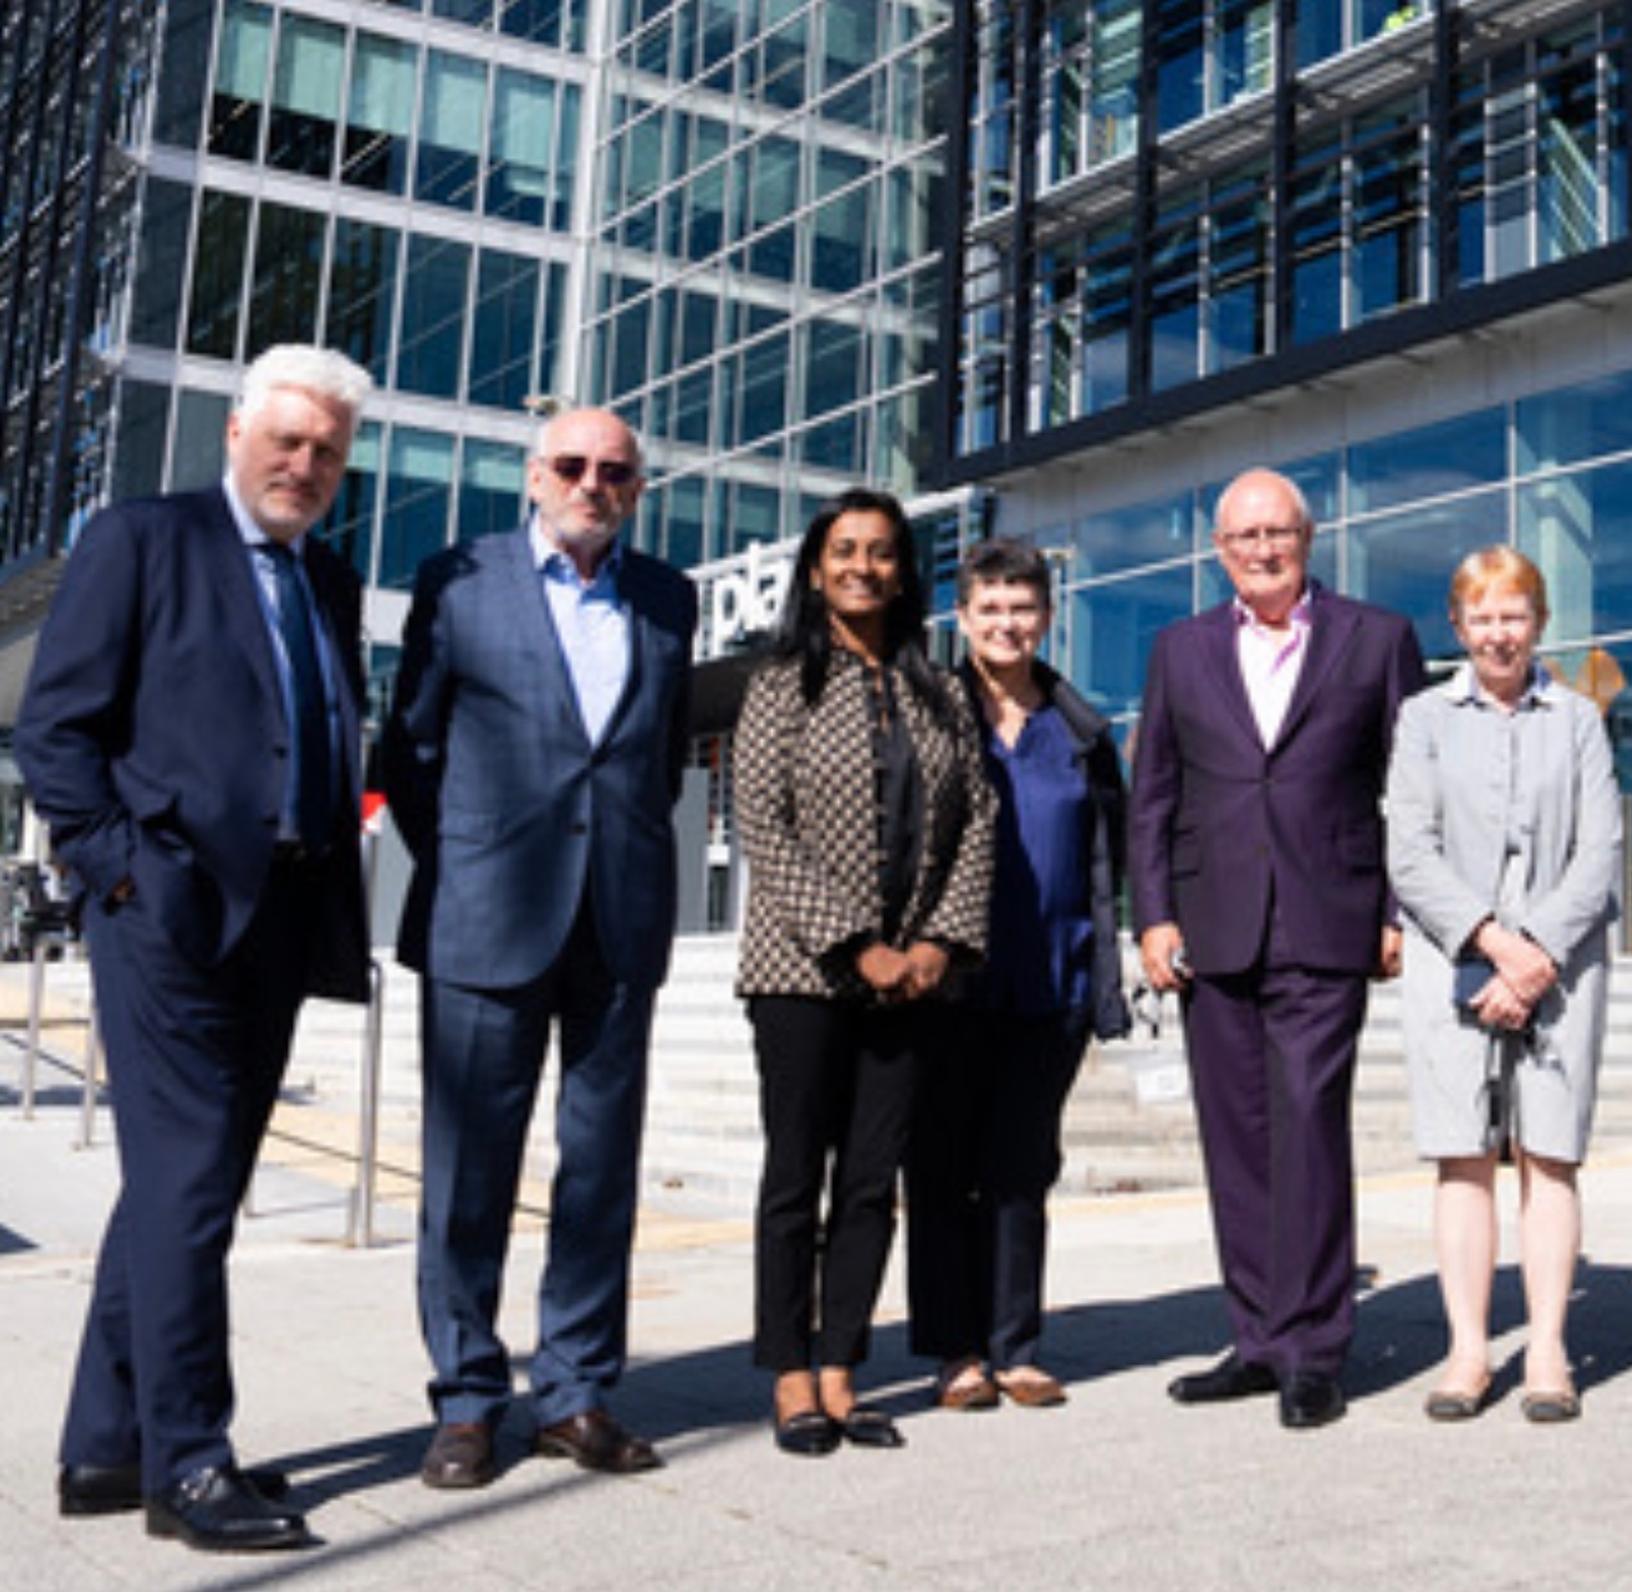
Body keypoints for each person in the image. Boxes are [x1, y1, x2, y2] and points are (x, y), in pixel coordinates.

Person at [21, 344, 374, 1552]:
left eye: (327, 450)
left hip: (280, 914)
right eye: (287, 439)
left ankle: (102, 1448)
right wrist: (120, 866)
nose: (305, 464)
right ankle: (191, 1461)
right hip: (165, 910)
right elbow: (54, 729)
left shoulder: (325, 577)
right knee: (185, 1181)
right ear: (236, 433)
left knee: (189, 1187)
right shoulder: (142, 538)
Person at [383, 407, 697, 1487]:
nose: (592, 482)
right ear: (533, 476)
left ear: (638, 488)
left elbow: (654, 766)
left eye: (615, 470)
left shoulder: (667, 598)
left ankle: (573, 1390)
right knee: (468, 1171)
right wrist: (472, 856)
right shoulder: (458, 579)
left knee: (600, 1172)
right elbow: (410, 745)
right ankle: (469, 1398)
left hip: (617, 915)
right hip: (486, 915)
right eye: (572, 464)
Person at [1133, 467, 1427, 1430]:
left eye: (1278, 533)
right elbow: (1156, 795)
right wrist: (1153, 915)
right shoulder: (1178, 652)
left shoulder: (1376, 639)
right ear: (1219, 551)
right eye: (1243, 537)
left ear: (1309, 537)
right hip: (1214, 925)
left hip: (1326, 916)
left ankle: (1314, 1349)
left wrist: (1394, 908)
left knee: (1307, 1126)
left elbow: (1414, 790)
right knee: (1237, 1139)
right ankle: (1257, 1338)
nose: (1262, 550)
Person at [733, 489, 994, 1454]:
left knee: (873, 1181)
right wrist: (858, 944)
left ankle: (842, 1368)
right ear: (815, 568)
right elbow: (763, 823)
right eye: (844, 551)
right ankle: (789, 1374)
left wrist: (935, 943)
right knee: (797, 1175)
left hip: (914, 977)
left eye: (881, 553)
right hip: (802, 973)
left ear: (901, 570)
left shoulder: (939, 687)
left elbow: (978, 821)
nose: (863, 567)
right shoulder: (780, 681)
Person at [1385, 547, 1620, 1424]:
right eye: (1481, 617)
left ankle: (1550, 1348)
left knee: (1550, 1156)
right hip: (1454, 960)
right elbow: (1408, 849)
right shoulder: (1422, 720)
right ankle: (1468, 1350)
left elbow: (1599, 851)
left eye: (1513, 614)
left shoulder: (1581, 721)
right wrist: (1489, 943)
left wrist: (1535, 954)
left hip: (1560, 969)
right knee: (1462, 1157)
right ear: (1458, 627)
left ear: (1539, 622)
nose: (1498, 632)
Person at [907, 539, 1127, 1412]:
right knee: (942, 1165)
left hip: (1052, 979)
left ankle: (1017, 1344)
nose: (1007, 623)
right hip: (949, 981)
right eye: (990, 608)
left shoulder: (1080, 729)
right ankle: (956, 1351)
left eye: (1023, 608)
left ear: (1046, 615)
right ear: (962, 618)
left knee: (1021, 1165)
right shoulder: (930, 713)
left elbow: (1111, 851)